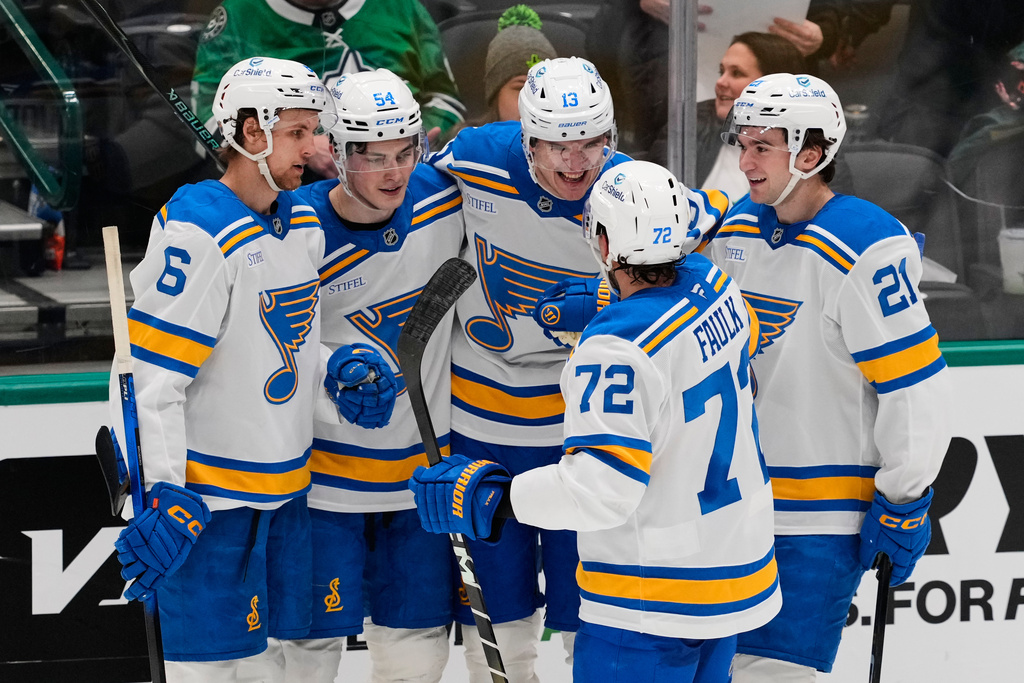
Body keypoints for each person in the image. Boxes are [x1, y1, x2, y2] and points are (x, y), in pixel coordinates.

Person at [409, 160, 781, 682]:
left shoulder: (615, 351)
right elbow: (685, 307)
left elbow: (602, 490)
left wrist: (498, 498)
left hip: (651, 596)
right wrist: (609, 299)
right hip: (734, 570)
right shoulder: (719, 286)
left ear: (604, 243)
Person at [108, 56, 397, 682]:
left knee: (275, 672)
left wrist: (333, 377)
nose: (314, 148)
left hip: (289, 494)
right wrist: (162, 492)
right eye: (297, 132)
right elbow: (150, 377)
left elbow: (282, 349)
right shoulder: (198, 233)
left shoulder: (300, 222)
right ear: (250, 132)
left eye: (314, 130)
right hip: (207, 508)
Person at [708, 73, 953, 681]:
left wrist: (905, 496)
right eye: (741, 143)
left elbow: (916, 389)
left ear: (810, 153)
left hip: (817, 524)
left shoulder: (867, 245)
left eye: (761, 146)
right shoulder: (735, 229)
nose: (744, 160)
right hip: (730, 509)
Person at [289, 68, 466, 683]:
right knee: (309, 651)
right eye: (373, 158)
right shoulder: (296, 229)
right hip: (323, 486)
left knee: (415, 650)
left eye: (404, 154)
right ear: (335, 154)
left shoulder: (447, 200)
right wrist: (327, 368)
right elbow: (267, 346)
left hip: (421, 482)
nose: (394, 174)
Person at [191, 0, 466, 174]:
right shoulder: (237, 19)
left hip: (403, 179)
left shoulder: (402, 8)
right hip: (292, 197)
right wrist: (295, 144)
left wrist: (408, 140)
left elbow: (444, 99)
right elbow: (209, 123)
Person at [647, 31, 805, 198]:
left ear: (775, 87)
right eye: (721, 72)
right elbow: (655, 195)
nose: (720, 82)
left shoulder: (814, 143)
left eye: (736, 73)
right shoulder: (690, 121)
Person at [479, 5, 558, 124]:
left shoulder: (579, 139)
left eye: (543, 91)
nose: (533, 103)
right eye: (521, 89)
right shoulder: (466, 141)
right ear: (495, 96)